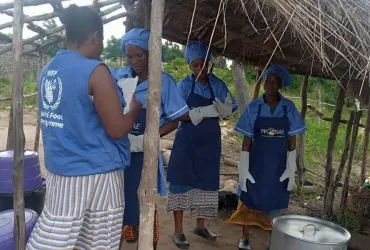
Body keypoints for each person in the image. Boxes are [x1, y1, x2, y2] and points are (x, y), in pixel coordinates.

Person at [26, 5, 142, 250]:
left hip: (60, 170)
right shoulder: (95, 71)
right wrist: (134, 109)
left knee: (57, 233)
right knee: (96, 240)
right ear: (96, 37)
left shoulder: (48, 70)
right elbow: (117, 129)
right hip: (97, 171)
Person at [113, 28, 190, 249]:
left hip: (144, 156)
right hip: (119, 151)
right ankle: (122, 237)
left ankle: (147, 242)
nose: (134, 61)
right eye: (129, 56)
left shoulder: (163, 82)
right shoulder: (119, 77)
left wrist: (149, 138)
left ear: (151, 53)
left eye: (140, 55)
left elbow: (177, 119)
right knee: (117, 203)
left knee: (145, 204)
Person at [166, 40, 238, 249]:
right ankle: (179, 230)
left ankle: (201, 225)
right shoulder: (184, 85)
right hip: (186, 140)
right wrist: (203, 112)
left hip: (210, 141)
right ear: (190, 65)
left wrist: (226, 111)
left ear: (210, 63)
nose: (201, 69)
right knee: (180, 183)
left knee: (206, 185)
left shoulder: (218, 84)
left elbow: (229, 106)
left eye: (204, 64)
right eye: (196, 65)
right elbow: (178, 113)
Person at [226, 64, 307, 250]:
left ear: (280, 85)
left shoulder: (288, 108)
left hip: (279, 164)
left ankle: (272, 241)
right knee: (247, 198)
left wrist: (290, 166)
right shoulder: (255, 107)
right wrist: (243, 166)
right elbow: (247, 139)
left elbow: (291, 138)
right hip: (257, 162)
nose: (270, 85)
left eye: (274, 82)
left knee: (275, 201)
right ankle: (245, 239)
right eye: (267, 81)